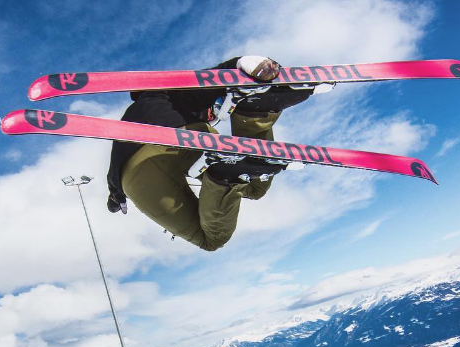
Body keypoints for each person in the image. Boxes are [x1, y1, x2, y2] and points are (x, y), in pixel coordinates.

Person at [106, 56, 329, 251]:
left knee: (213, 237)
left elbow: (113, 181)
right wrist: (243, 64)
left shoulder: (135, 115)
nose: (213, 116)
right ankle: (253, 114)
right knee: (253, 187)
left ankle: (227, 173)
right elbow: (209, 80)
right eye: (213, 112)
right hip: (186, 136)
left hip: (133, 172)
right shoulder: (167, 95)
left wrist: (116, 199)